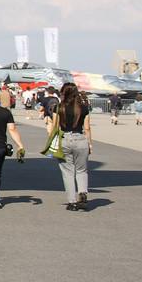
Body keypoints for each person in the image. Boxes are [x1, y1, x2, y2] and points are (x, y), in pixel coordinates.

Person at [51, 82, 95, 210]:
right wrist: (90, 143)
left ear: (63, 93)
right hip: (80, 139)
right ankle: (82, 192)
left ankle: (72, 202)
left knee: (68, 172)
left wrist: (53, 144)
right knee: (82, 170)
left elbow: (55, 127)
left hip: (64, 139)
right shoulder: (83, 108)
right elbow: (87, 127)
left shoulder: (58, 107)